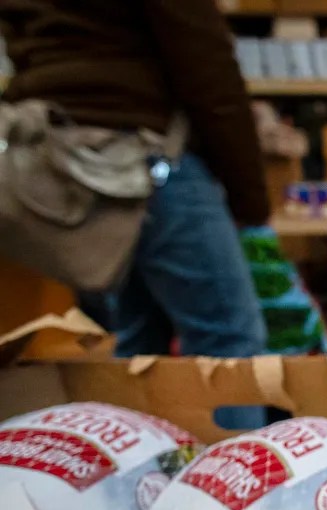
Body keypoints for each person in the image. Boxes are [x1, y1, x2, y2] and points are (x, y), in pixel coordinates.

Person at [0, 0, 269, 360]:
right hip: (149, 159)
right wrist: (249, 198)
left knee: (138, 342)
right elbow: (209, 70)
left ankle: (131, 419)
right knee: (229, 342)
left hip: (69, 163)